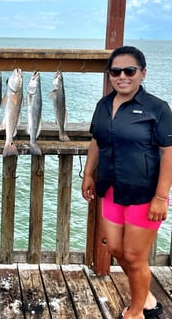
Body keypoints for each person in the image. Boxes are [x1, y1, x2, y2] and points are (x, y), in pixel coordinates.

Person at [82, 45, 172, 319]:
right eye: (115, 71)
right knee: (118, 248)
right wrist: (88, 173)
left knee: (134, 256)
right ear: (110, 74)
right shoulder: (103, 105)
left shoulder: (157, 108)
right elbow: (96, 140)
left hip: (144, 193)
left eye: (129, 70)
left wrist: (160, 197)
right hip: (110, 189)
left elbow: (169, 151)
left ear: (142, 73)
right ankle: (145, 297)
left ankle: (136, 312)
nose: (122, 76)